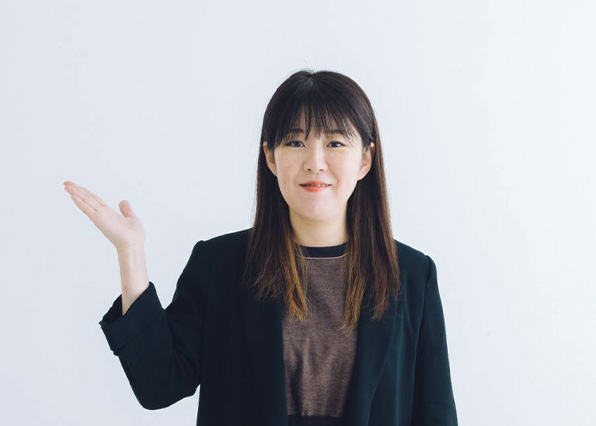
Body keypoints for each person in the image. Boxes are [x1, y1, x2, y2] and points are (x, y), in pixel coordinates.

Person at [64, 70, 458, 425]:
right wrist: (130, 252)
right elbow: (159, 385)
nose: (315, 162)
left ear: (365, 160)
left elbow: (435, 413)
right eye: (296, 142)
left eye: (335, 142)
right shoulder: (220, 265)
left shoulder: (411, 274)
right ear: (270, 156)